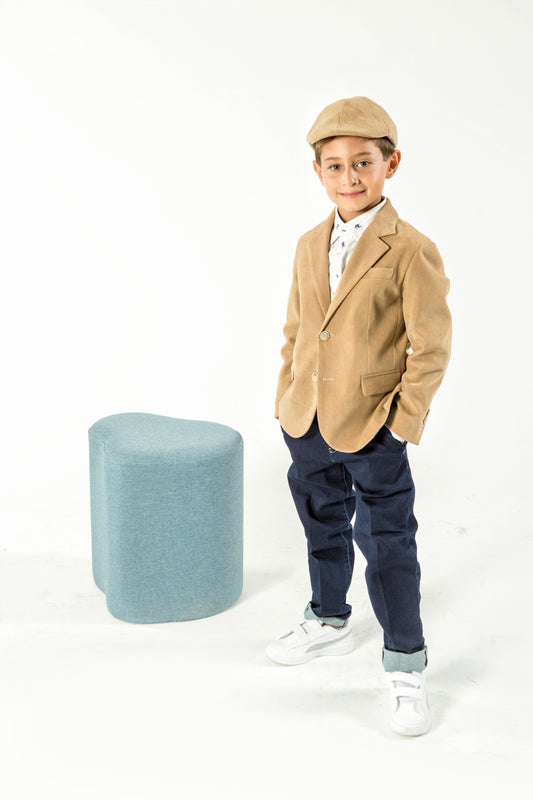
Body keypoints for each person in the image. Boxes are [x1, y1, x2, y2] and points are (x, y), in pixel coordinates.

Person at [267, 96, 452, 736]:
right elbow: (297, 329)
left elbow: (431, 347)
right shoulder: (307, 244)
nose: (350, 177)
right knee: (321, 524)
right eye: (336, 165)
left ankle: (406, 664)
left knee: (387, 542)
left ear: (390, 164)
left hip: (373, 425)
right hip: (307, 419)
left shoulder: (411, 249)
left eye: (363, 163)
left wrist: (402, 422)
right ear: (318, 171)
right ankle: (328, 617)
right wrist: (287, 396)